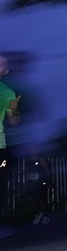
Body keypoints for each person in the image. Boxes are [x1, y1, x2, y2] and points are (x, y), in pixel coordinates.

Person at [0, 54, 21, 220]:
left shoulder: (8, 93)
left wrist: (15, 109)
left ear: (5, 71)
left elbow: (13, 121)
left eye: (1, 63)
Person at [24, 144, 51, 225]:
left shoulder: (40, 159)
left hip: (40, 182)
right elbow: (27, 174)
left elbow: (46, 170)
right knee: (30, 199)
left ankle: (45, 216)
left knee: (41, 198)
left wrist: (48, 180)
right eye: (31, 149)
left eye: (34, 149)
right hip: (31, 183)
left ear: (38, 150)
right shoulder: (28, 161)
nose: (33, 151)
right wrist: (26, 184)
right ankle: (37, 213)